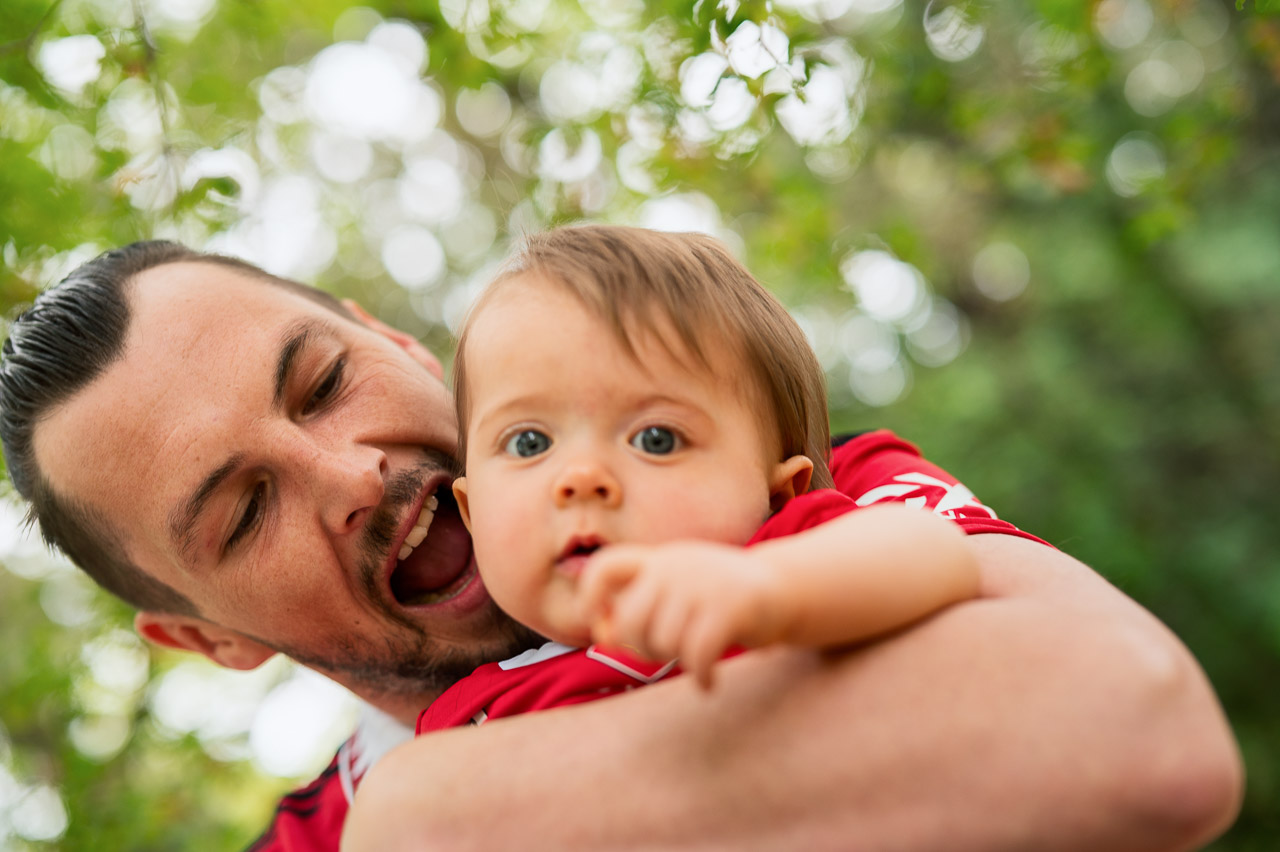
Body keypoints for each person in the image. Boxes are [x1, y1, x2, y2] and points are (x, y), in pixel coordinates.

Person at [0, 241, 1242, 852]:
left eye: (323, 384)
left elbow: (1137, 732)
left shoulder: (786, 496)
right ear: (203, 637)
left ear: (401, 345)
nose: (353, 477)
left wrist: (442, 818)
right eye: (243, 512)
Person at [415, 224, 984, 733]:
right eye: (529, 443)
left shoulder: (789, 560)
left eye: (656, 439)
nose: (581, 478)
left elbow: (935, 552)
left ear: (776, 495)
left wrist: (771, 590)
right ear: (472, 512)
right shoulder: (467, 721)